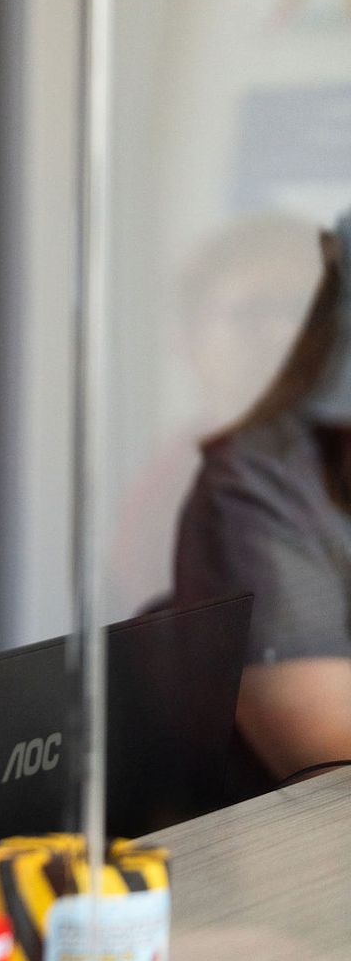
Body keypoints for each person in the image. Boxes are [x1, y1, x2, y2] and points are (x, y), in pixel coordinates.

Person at [174, 211, 351, 786]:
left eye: (298, 312)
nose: (282, 333)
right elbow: (327, 758)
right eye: (254, 313)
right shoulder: (247, 483)